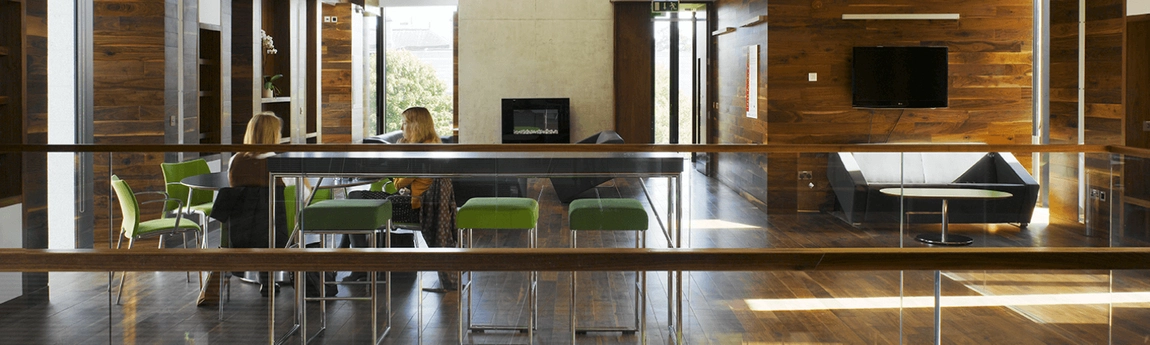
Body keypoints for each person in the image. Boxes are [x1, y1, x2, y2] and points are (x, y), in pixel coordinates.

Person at [209, 112, 287, 298]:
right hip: (280, 234)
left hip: (240, 233)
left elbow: (236, 193)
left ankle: (265, 276)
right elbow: (303, 198)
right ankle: (273, 276)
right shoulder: (281, 164)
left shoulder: (235, 161)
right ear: (274, 135)